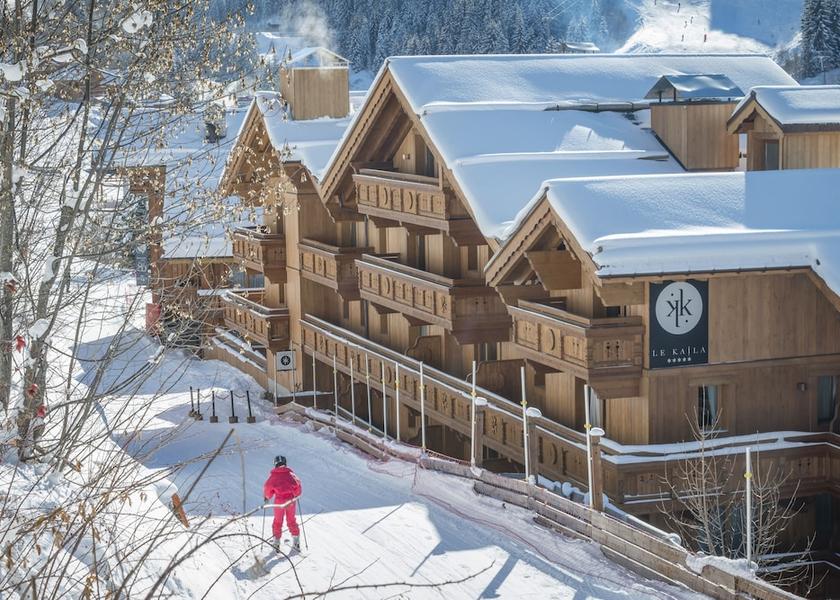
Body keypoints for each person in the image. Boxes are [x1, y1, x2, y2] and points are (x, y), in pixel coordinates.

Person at [263, 455, 302, 551]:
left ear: (275, 464)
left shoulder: (273, 476)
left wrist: (267, 497)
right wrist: (296, 494)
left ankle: (276, 542)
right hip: (291, 501)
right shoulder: (291, 474)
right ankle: (296, 540)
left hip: (279, 502)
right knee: (291, 520)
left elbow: (268, 488)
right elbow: (298, 486)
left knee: (278, 521)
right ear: (285, 463)